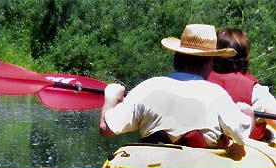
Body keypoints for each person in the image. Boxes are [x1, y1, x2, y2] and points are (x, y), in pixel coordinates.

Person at [100, 24, 253, 149]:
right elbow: (242, 135)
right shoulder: (216, 94)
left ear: (177, 57)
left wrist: (111, 98)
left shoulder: (149, 87)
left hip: (149, 167)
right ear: (209, 62)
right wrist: (248, 114)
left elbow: (106, 129)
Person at [207, 28, 276, 141]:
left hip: (208, 144)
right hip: (242, 151)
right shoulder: (256, 92)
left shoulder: (201, 82)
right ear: (245, 56)